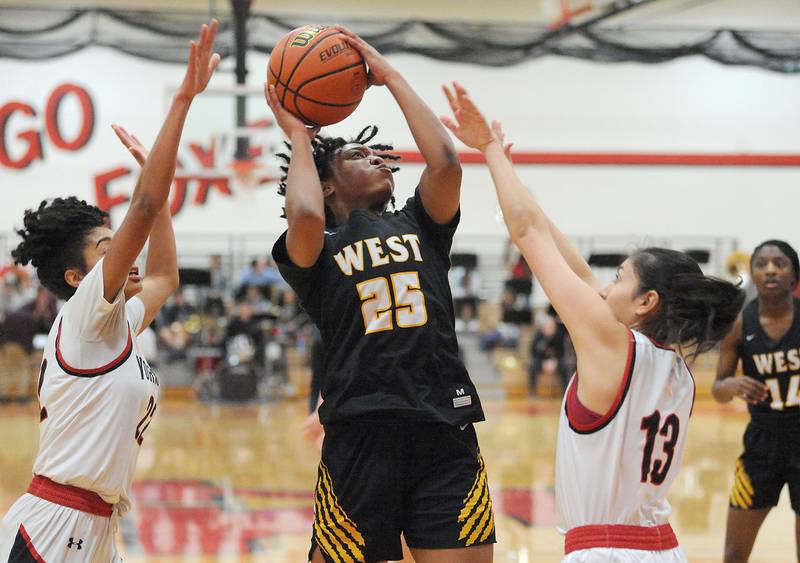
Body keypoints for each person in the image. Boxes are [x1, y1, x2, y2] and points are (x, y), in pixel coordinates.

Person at [440, 82, 743, 562]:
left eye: (618, 277)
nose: (603, 287)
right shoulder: (677, 369)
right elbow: (574, 265)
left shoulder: (613, 344)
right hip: (663, 549)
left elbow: (530, 233)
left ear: (646, 302)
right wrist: (511, 179)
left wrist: (489, 149)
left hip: (607, 552)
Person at [265, 26, 494, 563]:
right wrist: (299, 135)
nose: (378, 159)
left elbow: (446, 163)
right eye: (357, 155)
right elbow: (301, 212)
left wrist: (387, 75)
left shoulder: (422, 224)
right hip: (359, 436)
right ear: (324, 183)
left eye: (379, 153)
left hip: (445, 429)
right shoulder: (316, 248)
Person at [0, 21, 219, 562]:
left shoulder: (115, 325)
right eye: (107, 247)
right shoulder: (83, 316)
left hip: (97, 527)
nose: (124, 253)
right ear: (78, 278)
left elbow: (166, 276)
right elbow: (141, 208)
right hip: (51, 529)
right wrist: (183, 102)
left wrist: (159, 193)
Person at [711, 240, 800, 562]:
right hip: (762, 445)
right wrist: (732, 384)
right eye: (762, 264)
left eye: (780, 263)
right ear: (753, 273)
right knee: (734, 553)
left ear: (793, 276)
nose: (771, 269)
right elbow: (718, 389)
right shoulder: (738, 325)